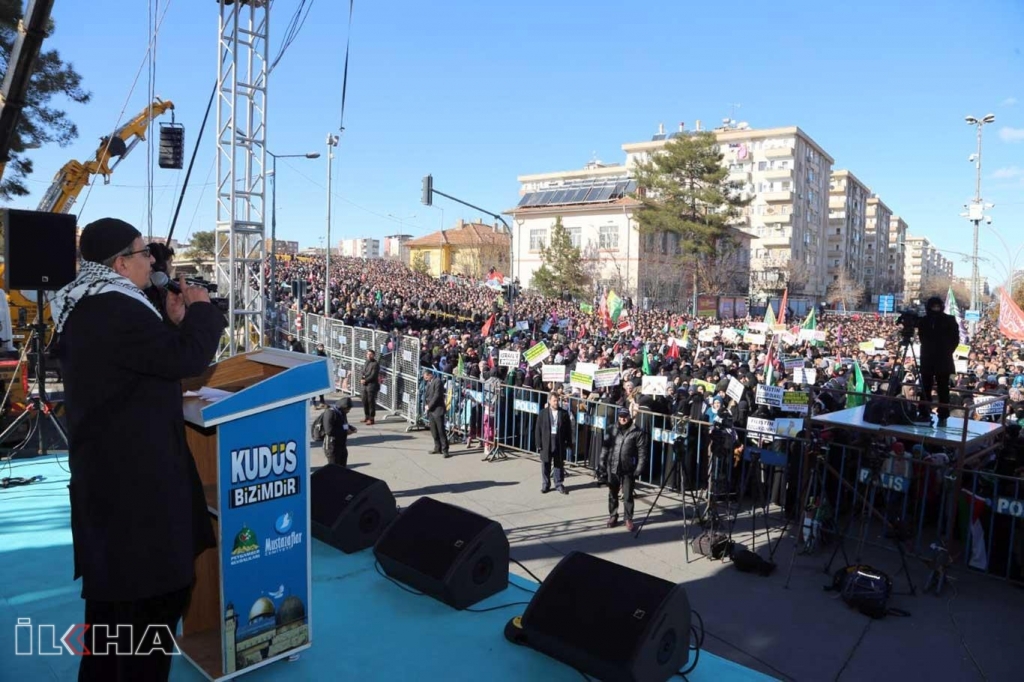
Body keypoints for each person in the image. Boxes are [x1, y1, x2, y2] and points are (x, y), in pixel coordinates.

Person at [52, 218, 226, 682]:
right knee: (146, 616)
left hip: (111, 487)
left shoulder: (90, 304)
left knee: (112, 625)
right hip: (136, 499)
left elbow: (143, 362)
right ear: (120, 262)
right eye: (143, 251)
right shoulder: (116, 310)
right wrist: (202, 310)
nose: (153, 259)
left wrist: (170, 323)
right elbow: (186, 361)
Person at [915, 296, 960, 427]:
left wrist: (945, 351)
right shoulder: (924, 321)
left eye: (937, 306)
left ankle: (943, 415)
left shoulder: (949, 320)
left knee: (943, 389)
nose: (935, 309)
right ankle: (924, 412)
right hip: (927, 359)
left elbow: (955, 339)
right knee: (925, 387)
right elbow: (922, 337)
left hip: (943, 360)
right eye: (933, 306)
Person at [602, 408, 649, 531]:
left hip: (628, 468)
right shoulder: (611, 429)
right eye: (621, 416)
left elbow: (642, 452)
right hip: (612, 466)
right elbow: (605, 447)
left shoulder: (637, 431)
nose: (623, 419)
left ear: (629, 417)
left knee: (628, 495)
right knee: (612, 494)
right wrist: (602, 463)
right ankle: (613, 515)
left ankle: (628, 518)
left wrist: (639, 468)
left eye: (625, 416)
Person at [534, 392, 572, 494]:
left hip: (558, 442)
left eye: (557, 400)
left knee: (558, 464)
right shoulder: (543, 413)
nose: (556, 402)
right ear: (549, 401)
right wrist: (538, 444)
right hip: (546, 441)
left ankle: (558, 484)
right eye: (554, 400)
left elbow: (568, 429)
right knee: (545, 464)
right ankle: (545, 484)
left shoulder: (563, 413)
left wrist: (569, 442)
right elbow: (538, 429)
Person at [422, 368, 449, 457]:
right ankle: (437, 448)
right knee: (434, 431)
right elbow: (428, 395)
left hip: (438, 409)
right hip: (431, 411)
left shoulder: (438, 381)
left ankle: (445, 450)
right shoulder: (429, 383)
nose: (425, 378)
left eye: (426, 377)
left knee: (441, 430)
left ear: (430, 375)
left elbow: (437, 395)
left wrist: (429, 405)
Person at [323, 396, 356, 466]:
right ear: (343, 407)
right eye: (348, 409)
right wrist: (345, 432)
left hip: (342, 445)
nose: (348, 411)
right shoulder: (330, 412)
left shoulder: (342, 413)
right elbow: (329, 431)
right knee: (334, 469)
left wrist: (350, 427)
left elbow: (344, 424)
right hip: (332, 446)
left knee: (343, 468)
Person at [361, 349, 380, 424]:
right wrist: (362, 379)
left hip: (371, 385)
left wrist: (366, 380)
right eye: (368, 354)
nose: (369, 356)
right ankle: (366, 416)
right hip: (364, 385)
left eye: (370, 354)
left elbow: (373, 375)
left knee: (370, 401)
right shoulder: (366, 362)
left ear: (373, 355)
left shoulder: (375, 364)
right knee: (364, 400)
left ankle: (371, 418)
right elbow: (362, 372)